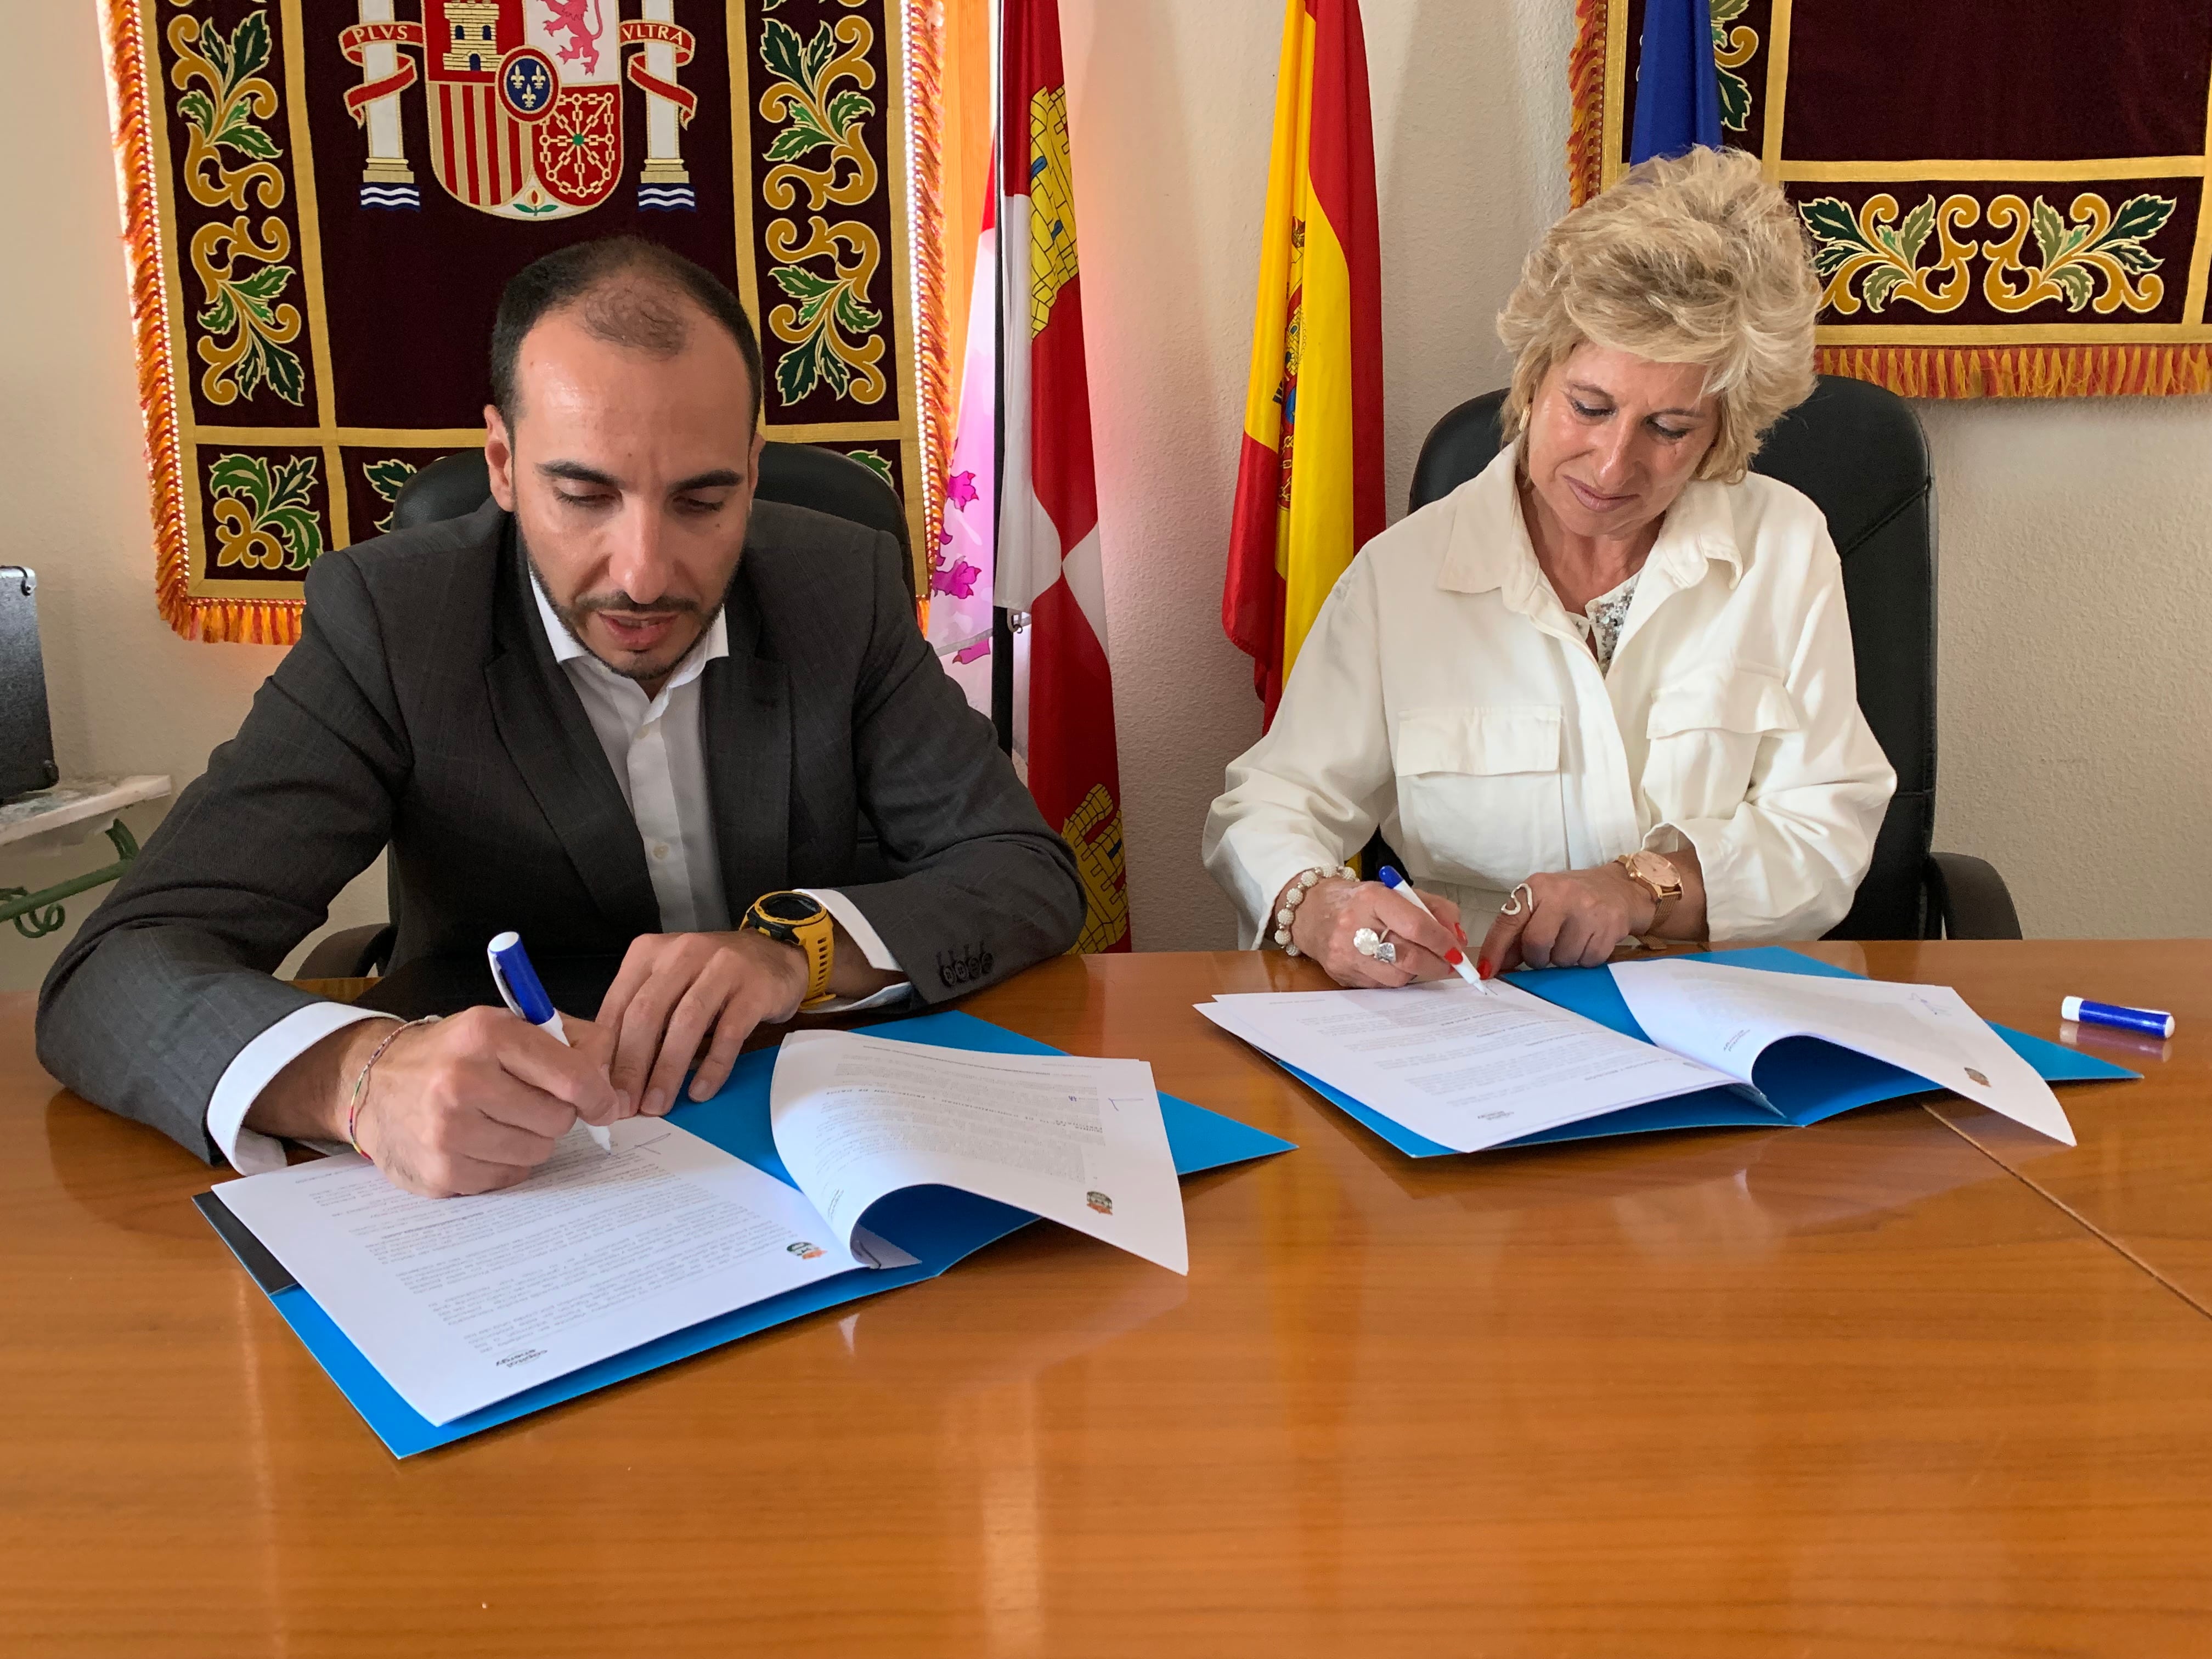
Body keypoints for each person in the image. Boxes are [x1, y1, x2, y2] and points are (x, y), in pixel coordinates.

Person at [38, 236, 1084, 1197]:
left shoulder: (836, 585)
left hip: (818, 1148)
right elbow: (115, 970)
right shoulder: (395, 623)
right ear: (501, 465)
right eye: (583, 495)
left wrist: (794, 956)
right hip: (523, 1180)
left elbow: (1020, 871)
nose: (644, 573)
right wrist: (359, 1078)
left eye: (703, 501)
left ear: (754, 473)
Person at [1203, 146, 1895, 988]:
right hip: (1483, 1021)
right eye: (1590, 407)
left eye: (1670, 428)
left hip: (1724, 1012)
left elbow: (1828, 830)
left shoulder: (1783, 547)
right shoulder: (1406, 576)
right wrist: (1321, 905)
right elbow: (1270, 804)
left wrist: (1641, 887)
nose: (1611, 468)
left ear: (1725, 433)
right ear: (1534, 380)